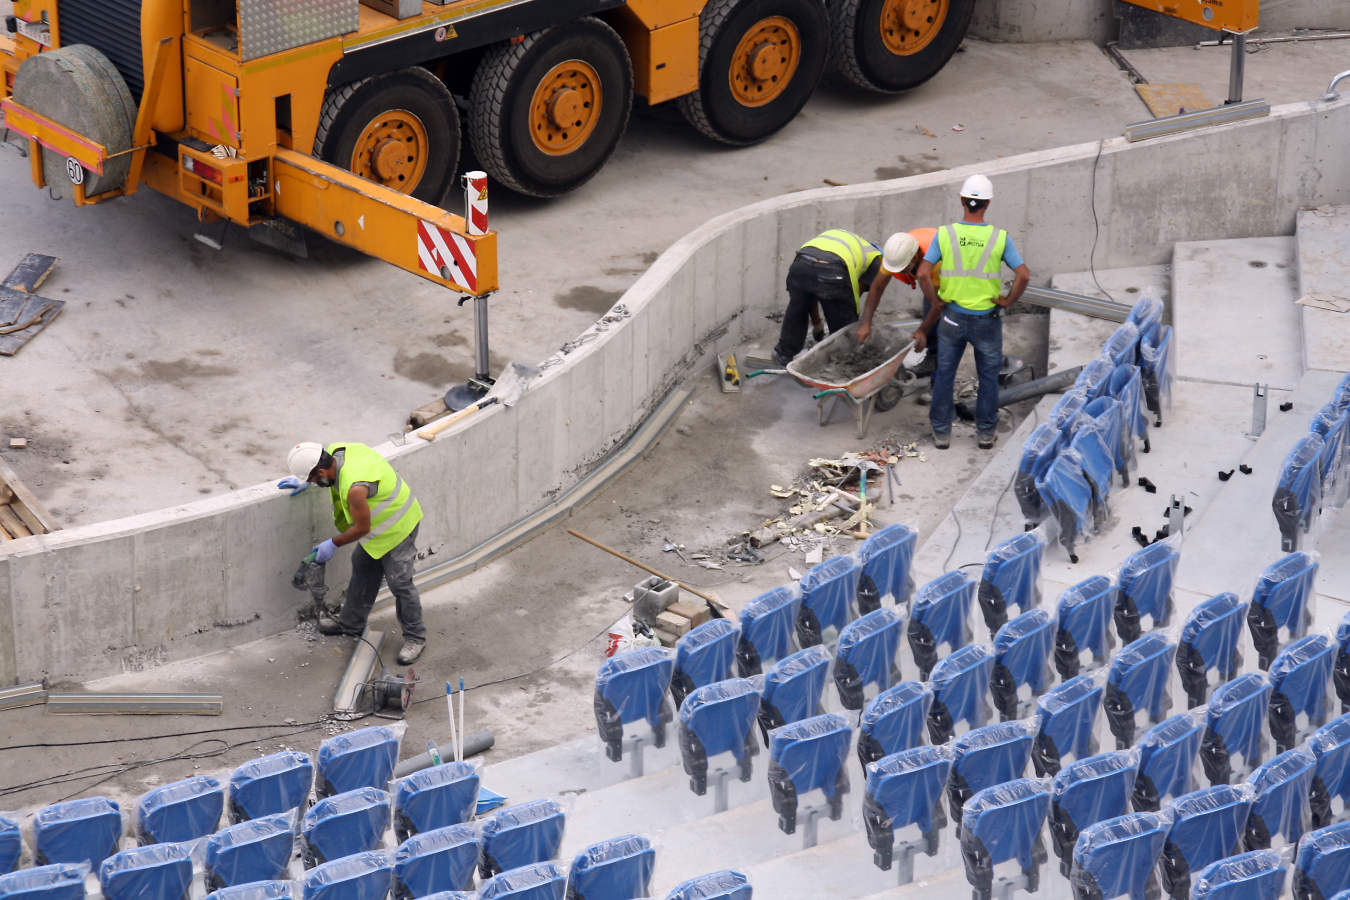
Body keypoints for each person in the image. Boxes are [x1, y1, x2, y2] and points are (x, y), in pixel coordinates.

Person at [278, 441, 427, 665]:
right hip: (379, 530)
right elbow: (326, 474)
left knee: (400, 583)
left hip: (398, 527)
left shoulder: (355, 489)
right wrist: (307, 484)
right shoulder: (340, 451)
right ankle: (351, 623)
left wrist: (331, 544)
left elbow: (362, 528)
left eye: (313, 480)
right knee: (362, 565)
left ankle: (416, 637)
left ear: (320, 471)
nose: (314, 484)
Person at [912, 174, 1031, 451]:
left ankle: (941, 434)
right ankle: (985, 434)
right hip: (986, 321)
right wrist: (1008, 301)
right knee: (988, 377)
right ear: (987, 204)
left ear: (963, 201)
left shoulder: (946, 234)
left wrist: (936, 300)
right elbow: (1023, 275)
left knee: (944, 374)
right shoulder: (999, 238)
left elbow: (922, 273)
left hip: (951, 317)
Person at [771, 228, 884, 366]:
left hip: (800, 264)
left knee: (797, 308)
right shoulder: (876, 260)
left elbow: (812, 292)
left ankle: (784, 354)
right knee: (844, 329)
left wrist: (817, 323)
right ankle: (843, 364)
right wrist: (857, 323)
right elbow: (862, 293)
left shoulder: (849, 243)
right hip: (833, 269)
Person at [856, 228, 943, 371]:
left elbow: (938, 304)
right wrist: (866, 323)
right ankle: (932, 357)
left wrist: (922, 331)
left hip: (954, 277)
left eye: (902, 269)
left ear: (914, 259)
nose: (897, 273)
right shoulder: (896, 255)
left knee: (946, 323)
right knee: (930, 314)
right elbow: (877, 288)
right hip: (926, 267)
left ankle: (939, 366)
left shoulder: (935, 263)